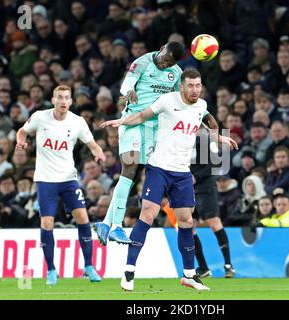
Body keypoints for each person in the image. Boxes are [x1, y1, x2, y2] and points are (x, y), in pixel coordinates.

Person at [100, 68, 237, 291]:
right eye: (191, 85)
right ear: (181, 86)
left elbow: (201, 126)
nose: (195, 90)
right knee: (148, 214)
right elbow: (143, 115)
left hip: (182, 173)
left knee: (186, 221)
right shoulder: (167, 100)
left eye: (198, 85)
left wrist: (219, 136)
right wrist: (122, 122)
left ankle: (190, 275)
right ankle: (128, 272)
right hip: (159, 169)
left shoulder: (201, 106)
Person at [93, 41, 185, 245]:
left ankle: (106, 224)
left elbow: (177, 99)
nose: (164, 65)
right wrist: (129, 91)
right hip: (132, 123)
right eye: (164, 59)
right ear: (161, 49)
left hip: (154, 129)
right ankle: (117, 227)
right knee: (129, 168)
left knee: (132, 177)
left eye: (169, 63)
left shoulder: (176, 72)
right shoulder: (143, 61)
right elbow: (128, 82)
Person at [15, 85, 105, 285]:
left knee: (82, 217)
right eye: (60, 97)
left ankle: (89, 266)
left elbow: (92, 143)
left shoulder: (78, 122)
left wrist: (98, 152)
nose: (63, 101)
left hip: (68, 179)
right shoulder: (39, 117)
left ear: (71, 101)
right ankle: (51, 270)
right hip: (46, 179)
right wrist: (21, 141)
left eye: (66, 98)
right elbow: (22, 131)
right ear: (53, 100)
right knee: (47, 222)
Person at [191, 128, 236, 279]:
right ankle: (203, 267)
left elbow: (213, 164)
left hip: (204, 185)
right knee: (188, 225)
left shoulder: (203, 139)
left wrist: (196, 177)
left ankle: (228, 265)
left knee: (214, 222)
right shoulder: (180, 140)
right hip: (186, 186)